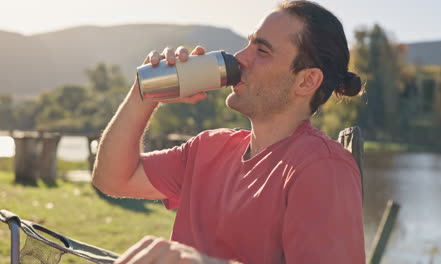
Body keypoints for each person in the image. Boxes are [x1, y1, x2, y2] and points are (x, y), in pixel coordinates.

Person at [92, 1, 365, 263]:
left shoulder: (323, 168)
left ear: (307, 81)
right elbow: (113, 179)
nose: (239, 58)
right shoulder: (209, 148)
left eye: (262, 51)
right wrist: (145, 93)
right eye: (248, 44)